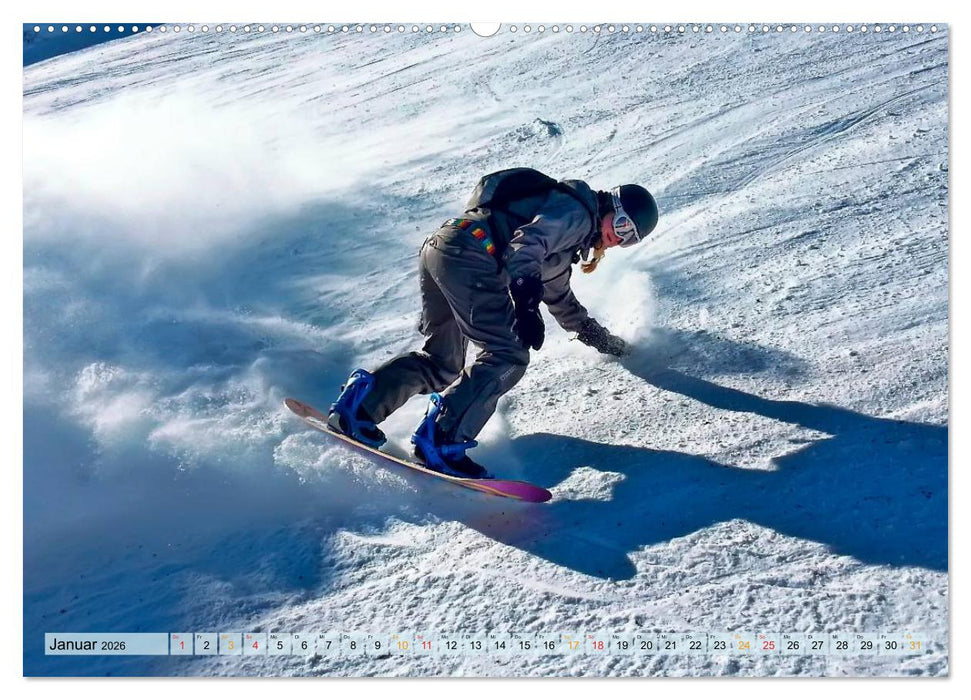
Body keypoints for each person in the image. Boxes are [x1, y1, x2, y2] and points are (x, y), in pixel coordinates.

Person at [327, 168, 659, 479]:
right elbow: (528, 244)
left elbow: (561, 299)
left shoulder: (569, 238)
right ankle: (442, 440)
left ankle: (360, 408)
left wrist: (601, 339)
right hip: (473, 255)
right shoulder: (576, 212)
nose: (619, 238)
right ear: (609, 205)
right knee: (507, 356)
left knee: (443, 362)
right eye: (622, 225)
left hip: (445, 247)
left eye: (630, 238)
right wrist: (526, 299)